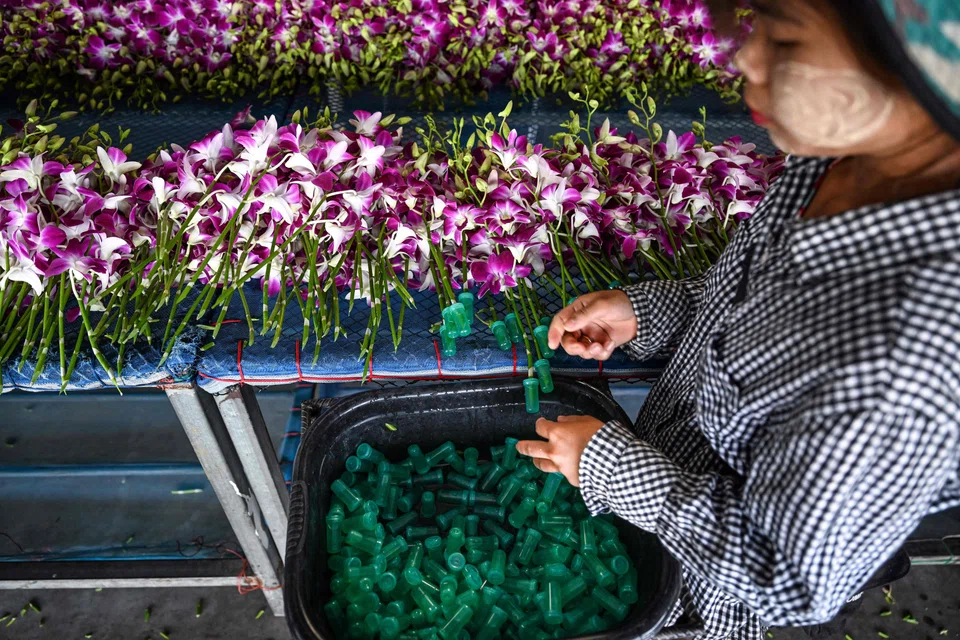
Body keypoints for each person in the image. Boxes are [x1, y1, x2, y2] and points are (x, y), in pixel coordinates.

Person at [515, 0, 960, 638]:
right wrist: (646, 312)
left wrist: (613, 468)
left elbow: (788, 576)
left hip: (703, 587)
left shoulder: (901, 360)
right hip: (646, 482)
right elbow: (745, 305)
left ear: (921, 70)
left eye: (784, 35)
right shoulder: (833, 161)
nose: (744, 57)